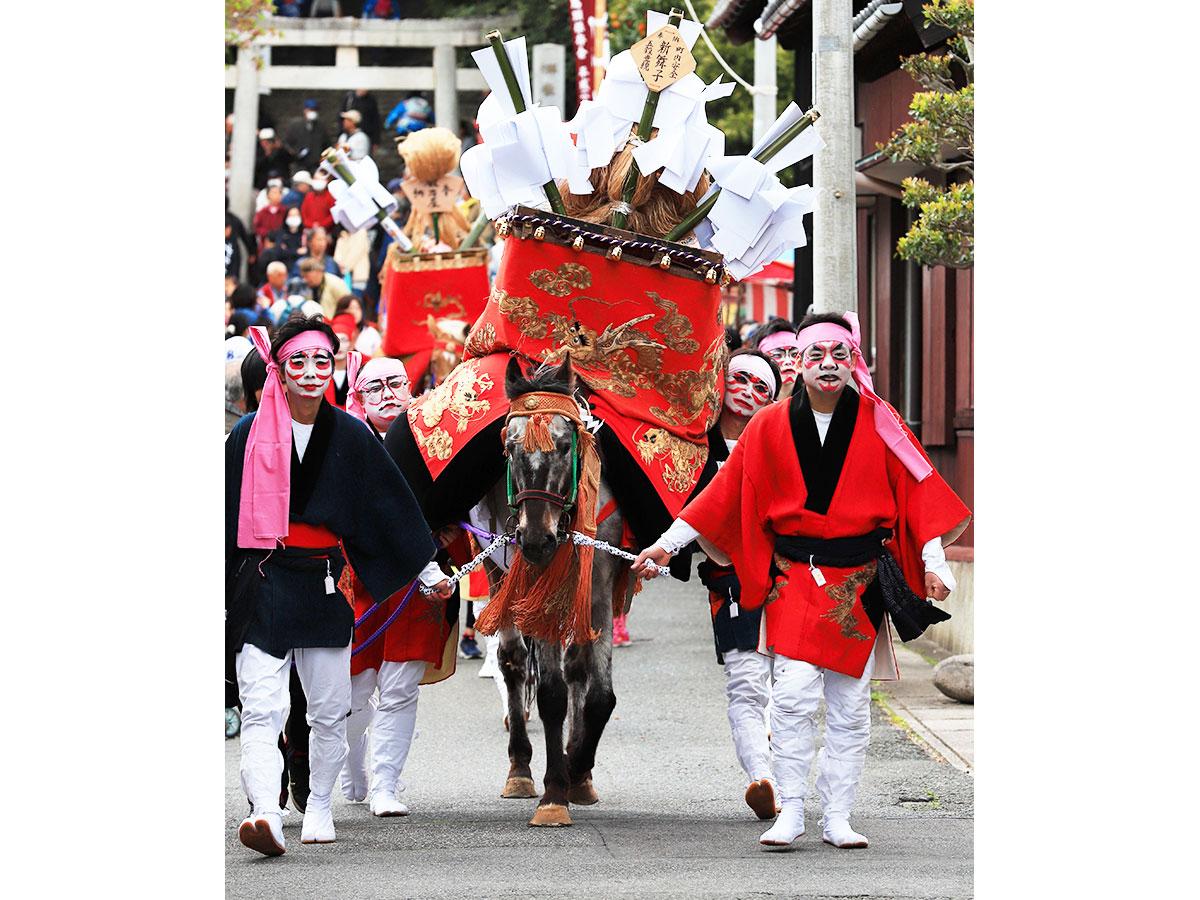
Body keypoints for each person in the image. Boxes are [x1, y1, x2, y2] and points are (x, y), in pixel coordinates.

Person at [635, 311, 970, 851]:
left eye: (840, 354)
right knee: (790, 696)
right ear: (799, 363)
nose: (829, 365)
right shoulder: (768, 425)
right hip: (792, 577)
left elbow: (917, 495)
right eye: (817, 355)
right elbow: (719, 499)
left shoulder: (881, 421)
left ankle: (838, 815)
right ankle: (791, 809)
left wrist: (935, 563)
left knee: (850, 702)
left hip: (857, 582)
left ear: (853, 359)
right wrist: (666, 545)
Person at [226, 316, 448, 856]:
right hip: (262, 580)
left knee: (328, 710)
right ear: (277, 368)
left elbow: (389, 507)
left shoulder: (348, 434)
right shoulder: (245, 433)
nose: (309, 372)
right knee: (262, 706)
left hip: (324, 583)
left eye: (320, 361)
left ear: (334, 369)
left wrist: (429, 573)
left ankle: (320, 803)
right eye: (296, 361)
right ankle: (264, 813)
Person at [339, 354, 457, 815]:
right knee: (354, 690)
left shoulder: (438, 444)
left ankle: (387, 783)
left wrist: (452, 528)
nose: (389, 394)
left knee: (401, 686)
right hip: (360, 583)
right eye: (375, 387)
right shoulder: (346, 445)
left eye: (397, 384)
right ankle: (353, 769)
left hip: (419, 589)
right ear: (358, 398)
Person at [686, 349, 783, 818]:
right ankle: (761, 779)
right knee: (745, 683)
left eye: (761, 387)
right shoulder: (689, 449)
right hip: (729, 582)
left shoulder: (784, 446)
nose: (747, 391)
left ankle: (790, 786)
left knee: (792, 688)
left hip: (791, 578)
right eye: (739, 379)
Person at [754, 319, 802, 399]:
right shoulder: (754, 399)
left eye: (794, 355)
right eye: (777, 355)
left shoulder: (812, 401)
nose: (788, 362)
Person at [283, 97, 331, 176]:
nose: (313, 112)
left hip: (315, 165)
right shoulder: (295, 125)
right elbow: (287, 143)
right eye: (310, 110)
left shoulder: (321, 127)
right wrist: (294, 153)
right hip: (299, 164)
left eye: (314, 110)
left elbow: (326, 144)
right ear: (305, 110)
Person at [253, 185, 287, 252]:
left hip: (281, 243)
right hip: (265, 244)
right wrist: (268, 233)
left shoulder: (284, 211)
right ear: (268, 195)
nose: (277, 195)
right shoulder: (262, 212)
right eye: (274, 192)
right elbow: (257, 228)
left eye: (279, 193)